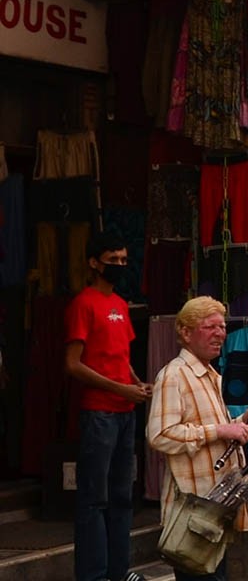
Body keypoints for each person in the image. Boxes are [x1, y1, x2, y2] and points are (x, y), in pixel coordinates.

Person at [146, 297, 248, 581]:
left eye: (222, 327)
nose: (220, 334)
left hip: (214, 509)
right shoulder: (175, 375)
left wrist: (242, 421)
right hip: (193, 513)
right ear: (186, 333)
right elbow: (160, 434)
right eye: (210, 327)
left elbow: (210, 428)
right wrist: (220, 431)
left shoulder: (210, 374)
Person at [65, 231, 152, 581]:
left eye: (123, 260)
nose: (118, 266)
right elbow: (72, 363)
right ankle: (94, 575)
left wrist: (135, 383)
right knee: (93, 500)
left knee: (121, 498)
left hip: (124, 414)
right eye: (112, 260)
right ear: (93, 262)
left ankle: (120, 572)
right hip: (99, 413)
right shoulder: (83, 303)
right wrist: (121, 388)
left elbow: (122, 356)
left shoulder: (119, 303)